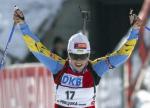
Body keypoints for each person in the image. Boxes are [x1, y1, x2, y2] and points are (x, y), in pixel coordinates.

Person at [13, 0, 150, 107]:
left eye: (83, 56)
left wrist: (134, 32)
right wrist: (23, 25)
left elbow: (121, 56)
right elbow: (37, 49)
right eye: (75, 56)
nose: (79, 61)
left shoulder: (95, 68)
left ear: (89, 55)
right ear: (69, 54)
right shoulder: (59, 67)